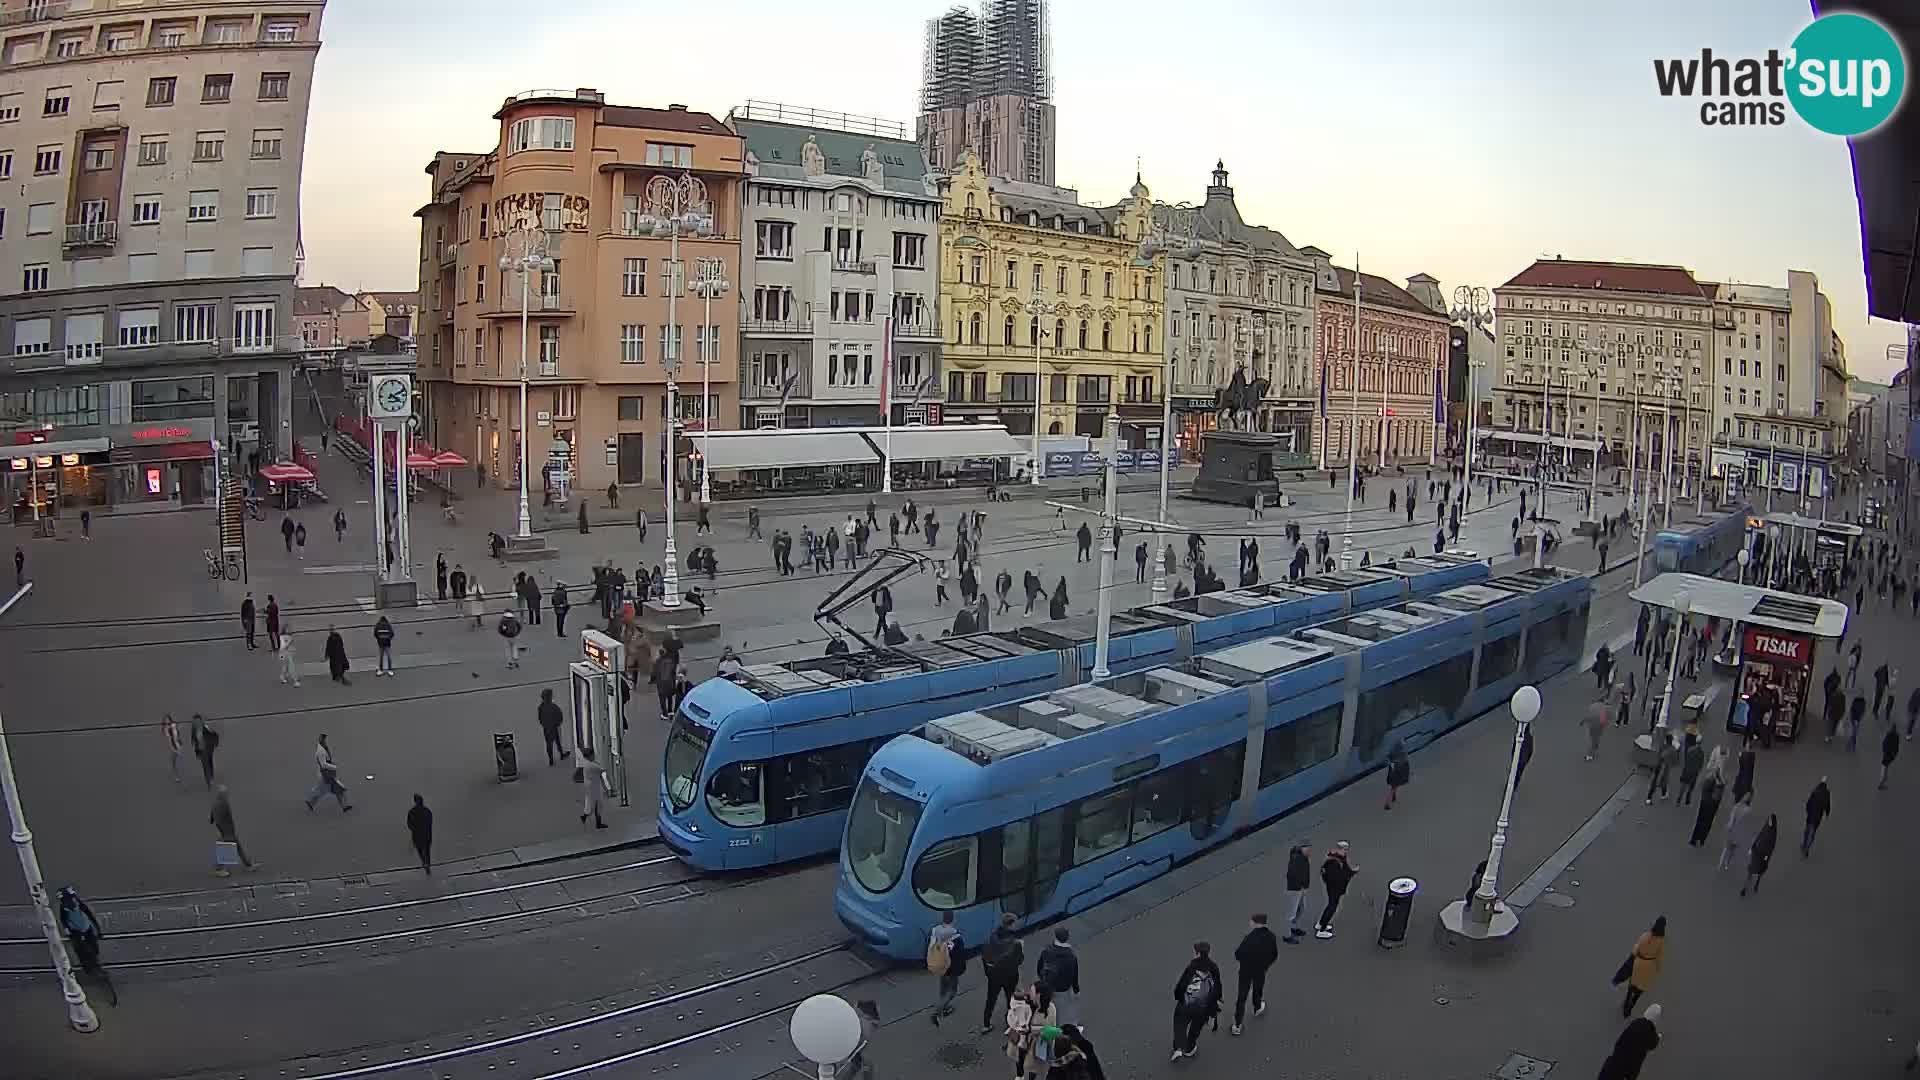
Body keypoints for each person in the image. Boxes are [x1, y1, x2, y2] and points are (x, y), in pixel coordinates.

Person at [1169, 941, 1222, 1061]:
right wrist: (1212, 1014)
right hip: (1203, 1007)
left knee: (1180, 1024)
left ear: (1197, 954)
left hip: (1186, 1004)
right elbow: (1217, 990)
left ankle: (1178, 1047)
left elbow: (1180, 987)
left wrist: (1179, 998)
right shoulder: (1213, 967)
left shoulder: (1191, 967)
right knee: (1195, 1028)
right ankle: (1189, 1048)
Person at [976, 911, 1024, 1034]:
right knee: (1010, 1000)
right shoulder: (1015, 944)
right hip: (1010, 977)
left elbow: (985, 958)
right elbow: (1019, 961)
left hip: (994, 977)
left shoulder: (991, 939)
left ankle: (986, 1024)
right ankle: (1010, 1023)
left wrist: (989, 974)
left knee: (991, 1000)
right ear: (1011, 924)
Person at [1230, 913, 1278, 1035]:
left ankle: (1237, 1024)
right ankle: (1257, 1007)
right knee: (1258, 988)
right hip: (1260, 969)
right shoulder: (1271, 937)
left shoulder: (1249, 938)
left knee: (1242, 996)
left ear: (1256, 923)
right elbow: (1274, 955)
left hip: (1246, 970)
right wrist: (1265, 965)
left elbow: (1238, 954)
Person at [1596, 1004, 1663, 1080]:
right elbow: (1652, 1045)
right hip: (1626, 1071)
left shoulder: (1635, 1022)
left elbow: (1619, 1041)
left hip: (1613, 1063)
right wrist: (1658, 1037)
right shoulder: (1651, 1032)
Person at [1616, 916, 1665, 1016]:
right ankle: (1631, 1006)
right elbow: (1659, 957)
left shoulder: (1645, 935)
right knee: (1640, 988)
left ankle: (1626, 1004)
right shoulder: (1661, 942)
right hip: (1649, 966)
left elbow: (1635, 949)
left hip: (1639, 963)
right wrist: (1658, 969)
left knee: (1632, 985)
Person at [1036, 926, 1080, 1025]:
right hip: (1063, 987)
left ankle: (1049, 1022)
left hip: (1048, 984)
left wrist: (1042, 979)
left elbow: (1039, 967)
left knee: (1049, 1005)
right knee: (1063, 1007)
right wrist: (1076, 989)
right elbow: (1074, 974)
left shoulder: (1046, 950)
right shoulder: (1071, 956)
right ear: (1067, 938)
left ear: (1055, 937)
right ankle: (1064, 1025)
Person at [927, 911, 964, 1025]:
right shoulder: (955, 936)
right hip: (951, 969)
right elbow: (959, 956)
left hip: (939, 965)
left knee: (943, 989)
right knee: (952, 991)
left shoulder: (935, 930)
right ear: (953, 919)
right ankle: (938, 1011)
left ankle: (943, 1007)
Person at [1315, 841, 1357, 938]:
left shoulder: (1338, 858)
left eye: (1347, 849)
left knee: (1331, 905)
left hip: (1333, 887)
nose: (1346, 852)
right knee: (1332, 907)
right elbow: (1338, 877)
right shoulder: (1334, 862)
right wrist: (1349, 875)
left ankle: (1321, 924)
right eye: (1344, 849)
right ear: (1339, 849)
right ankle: (1321, 931)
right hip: (1334, 888)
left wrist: (1352, 872)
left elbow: (1346, 870)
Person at [209, 785, 254, 875]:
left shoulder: (218, 802)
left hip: (228, 829)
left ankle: (248, 864)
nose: (227, 795)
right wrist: (221, 831)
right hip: (226, 830)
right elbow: (219, 819)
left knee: (237, 846)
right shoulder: (221, 804)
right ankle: (219, 869)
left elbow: (212, 815)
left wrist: (212, 821)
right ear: (222, 795)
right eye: (225, 794)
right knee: (226, 848)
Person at [304, 734, 352, 812]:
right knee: (338, 789)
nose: (326, 741)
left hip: (326, 774)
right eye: (325, 740)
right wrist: (334, 766)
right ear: (322, 740)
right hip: (326, 774)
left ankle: (344, 806)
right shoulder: (321, 751)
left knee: (326, 790)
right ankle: (344, 806)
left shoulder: (322, 749)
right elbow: (323, 764)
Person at [1740, 813, 1778, 896]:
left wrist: (1766, 858)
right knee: (1751, 871)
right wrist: (1753, 847)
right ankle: (1745, 888)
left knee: (1759, 871)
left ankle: (1756, 884)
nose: (1769, 822)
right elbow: (1759, 836)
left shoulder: (1772, 833)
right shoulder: (1767, 828)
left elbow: (1771, 848)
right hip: (1757, 852)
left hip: (1762, 855)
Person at [1281, 844, 1311, 942]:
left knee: (1301, 908)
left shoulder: (1304, 858)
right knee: (1291, 913)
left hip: (1301, 888)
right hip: (1295, 889)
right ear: (1301, 849)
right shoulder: (1296, 860)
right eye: (1307, 848)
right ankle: (1287, 935)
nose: (1309, 850)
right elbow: (1292, 874)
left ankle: (1293, 928)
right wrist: (1300, 885)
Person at [1718, 791, 1755, 870]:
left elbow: (1732, 820)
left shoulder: (1737, 807)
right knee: (1731, 850)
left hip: (1733, 830)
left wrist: (1728, 826)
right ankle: (1726, 863)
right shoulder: (1748, 810)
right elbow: (1747, 823)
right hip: (1739, 832)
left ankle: (1721, 864)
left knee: (1726, 848)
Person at [579, 746, 609, 829]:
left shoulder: (587, 764)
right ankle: (597, 822)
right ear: (589, 756)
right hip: (594, 787)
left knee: (592, 804)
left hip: (591, 786)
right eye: (593, 755)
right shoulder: (591, 765)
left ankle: (587, 818)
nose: (594, 756)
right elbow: (602, 769)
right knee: (598, 804)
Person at [1802, 777, 1831, 856]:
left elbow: (1808, 803)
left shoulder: (1815, 791)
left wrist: (1808, 811)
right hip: (1818, 817)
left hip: (1811, 815)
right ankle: (1807, 848)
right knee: (1812, 832)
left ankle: (1804, 844)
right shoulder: (1827, 793)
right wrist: (1827, 813)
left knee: (1807, 830)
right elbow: (1828, 805)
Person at [537, 688, 567, 765]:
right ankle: (556, 756)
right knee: (554, 741)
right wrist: (558, 722)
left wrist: (544, 724)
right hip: (552, 726)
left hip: (548, 727)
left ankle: (555, 757)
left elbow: (540, 718)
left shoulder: (541, 707)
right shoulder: (552, 706)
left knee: (553, 742)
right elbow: (559, 714)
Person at [406, 794, 434, 873]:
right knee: (427, 850)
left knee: (420, 850)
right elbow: (430, 822)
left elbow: (409, 824)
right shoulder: (427, 811)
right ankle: (427, 863)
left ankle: (424, 862)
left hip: (417, 835)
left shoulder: (412, 812)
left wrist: (414, 829)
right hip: (427, 834)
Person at [1585, 687, 1612, 760]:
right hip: (1599, 726)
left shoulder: (1592, 706)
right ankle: (1589, 754)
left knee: (1593, 738)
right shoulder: (1606, 708)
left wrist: (1584, 721)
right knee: (1595, 739)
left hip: (1591, 725)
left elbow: (1588, 715)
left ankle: (1595, 746)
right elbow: (1607, 719)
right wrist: (1607, 723)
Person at [1383, 744, 1410, 809]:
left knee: (1394, 786)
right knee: (1394, 787)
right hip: (1398, 772)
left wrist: (1391, 764)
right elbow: (1406, 764)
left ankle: (1393, 797)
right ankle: (1387, 804)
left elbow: (1387, 760)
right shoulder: (1403, 754)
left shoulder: (1392, 753)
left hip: (1394, 772)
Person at [1881, 726, 1902, 790]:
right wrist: (1895, 755)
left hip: (1886, 755)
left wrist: (1884, 751)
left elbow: (1884, 743)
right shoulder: (1896, 736)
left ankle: (1882, 783)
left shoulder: (1888, 735)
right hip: (1890, 756)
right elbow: (1896, 747)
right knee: (1885, 772)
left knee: (1884, 768)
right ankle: (1881, 784)